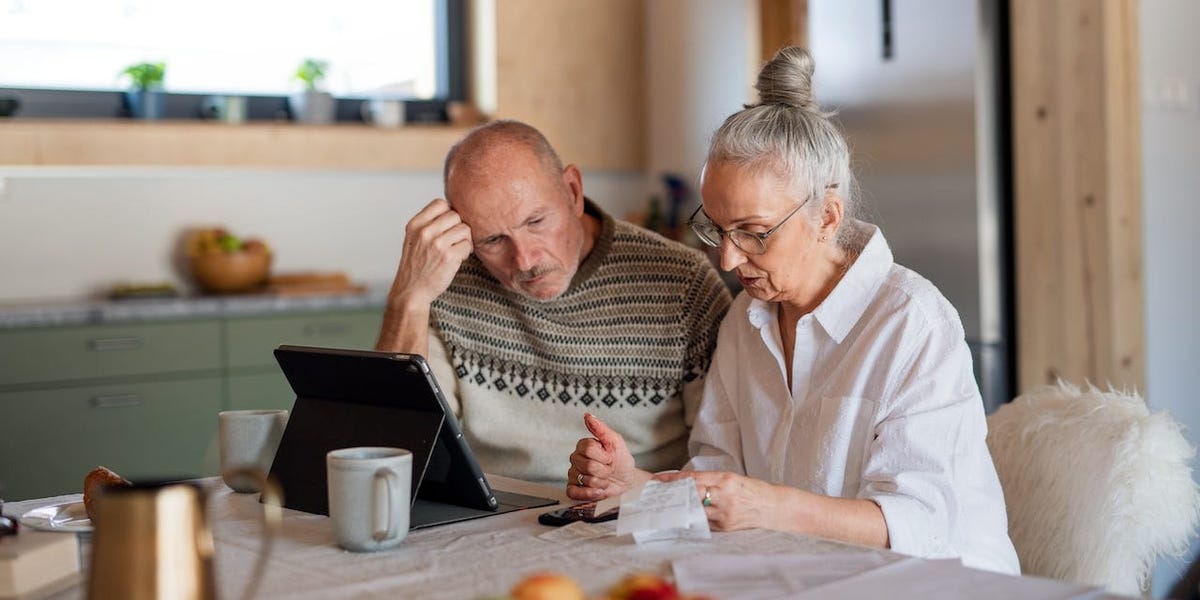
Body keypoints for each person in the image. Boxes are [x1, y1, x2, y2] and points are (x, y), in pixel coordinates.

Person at [565, 47, 1020, 574]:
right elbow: (719, 486)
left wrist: (770, 507)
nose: (729, 258)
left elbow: (922, 524)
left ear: (826, 218)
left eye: (754, 234)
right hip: (804, 576)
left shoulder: (912, 323)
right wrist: (635, 486)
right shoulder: (747, 320)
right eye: (716, 228)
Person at [375, 119, 732, 486]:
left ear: (573, 191)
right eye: (493, 240)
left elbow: (724, 464)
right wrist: (409, 298)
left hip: (634, 515)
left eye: (536, 221)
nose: (525, 261)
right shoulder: (446, 280)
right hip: (491, 516)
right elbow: (396, 449)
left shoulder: (683, 282)